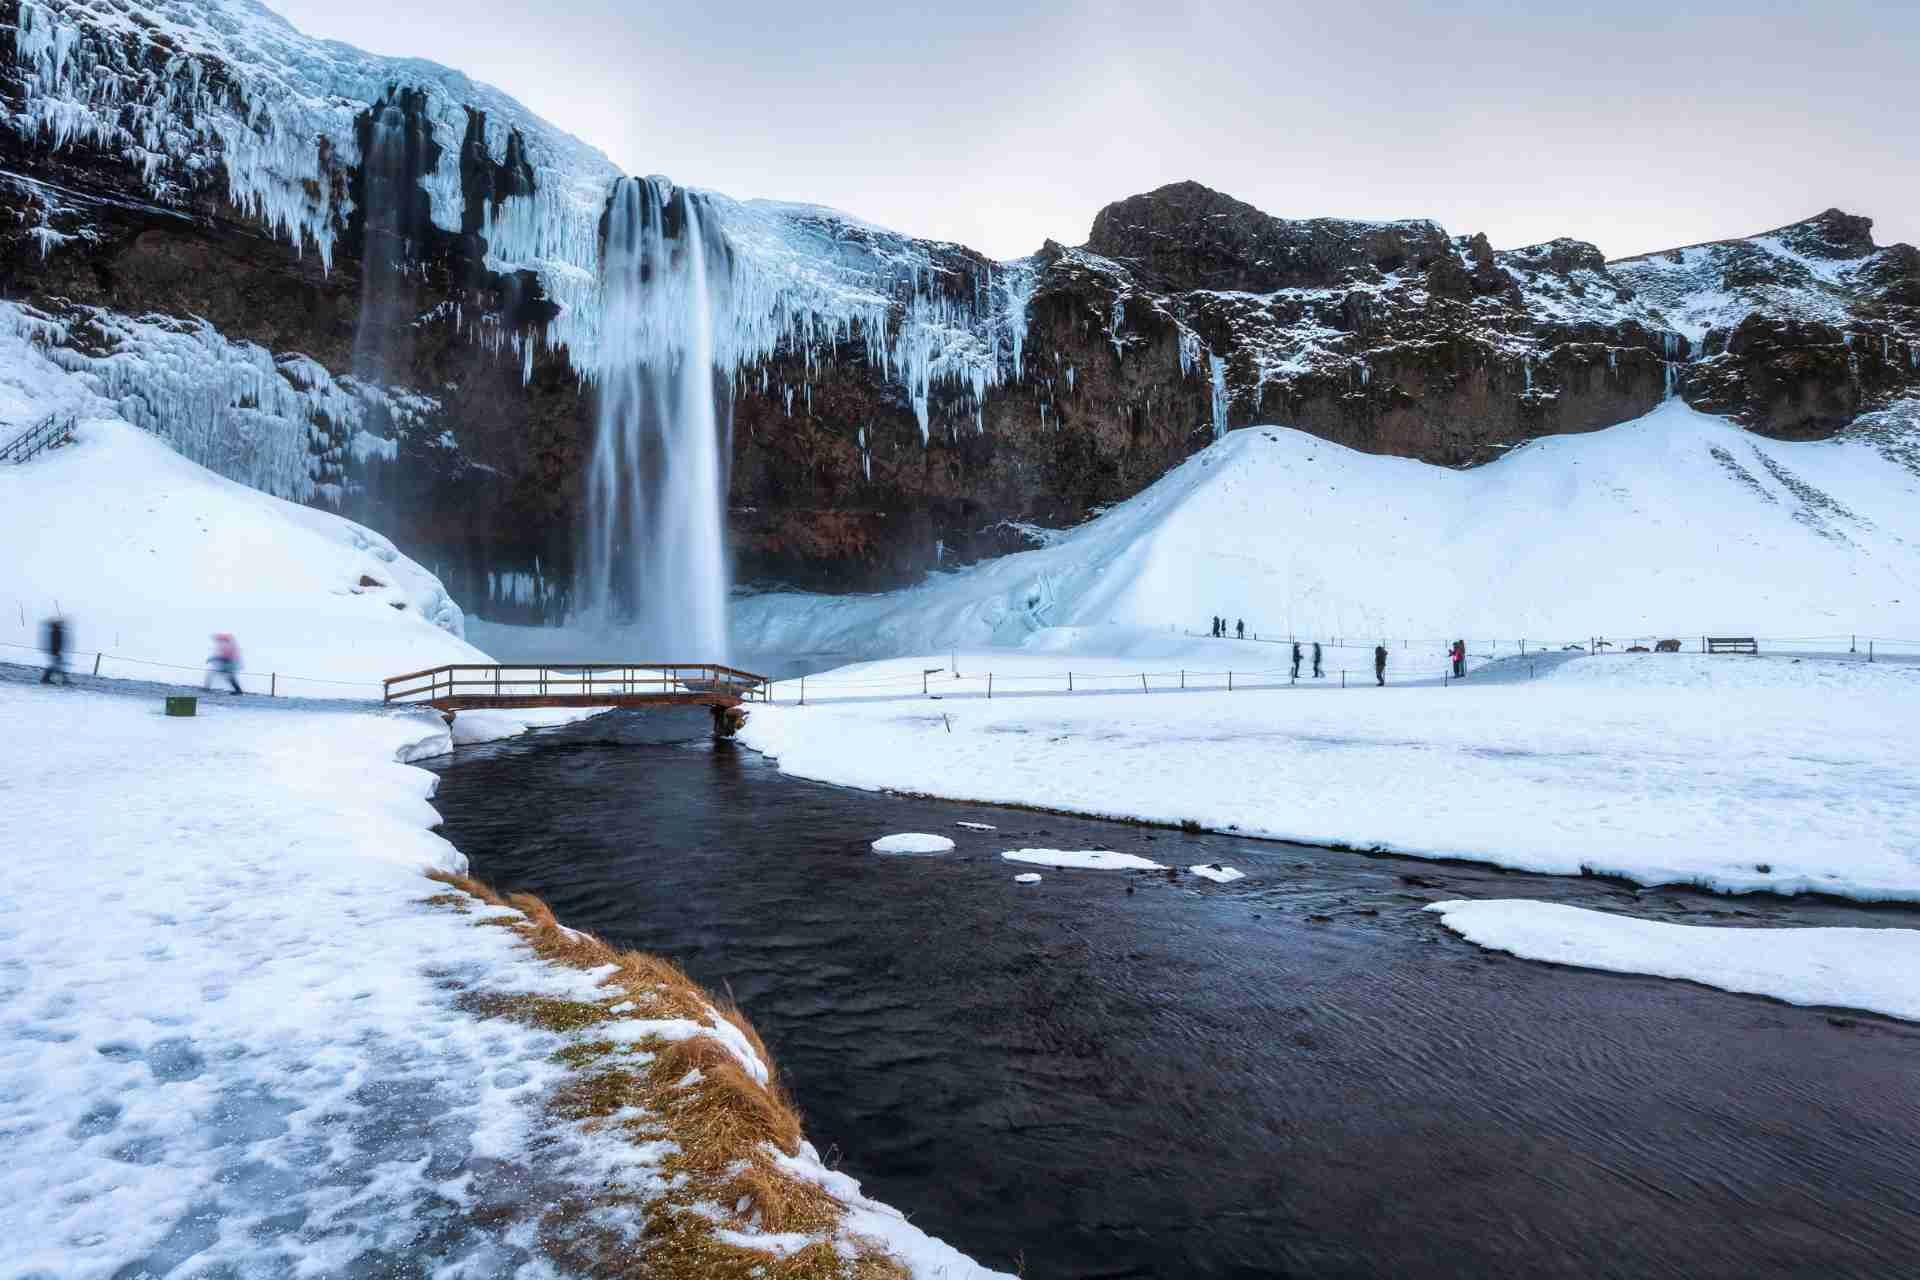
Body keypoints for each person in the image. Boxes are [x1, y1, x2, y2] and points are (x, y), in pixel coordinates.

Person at [40, 615, 68, 685]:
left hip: (56, 651)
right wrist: (56, 652)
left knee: (56, 666)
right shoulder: (56, 632)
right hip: (55, 651)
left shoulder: (56, 631)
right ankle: (46, 679)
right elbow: (55, 642)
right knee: (56, 666)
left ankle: (46, 678)